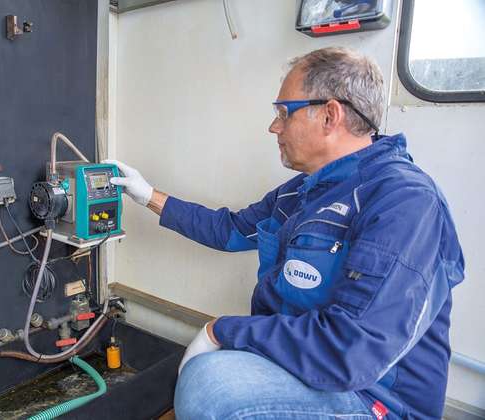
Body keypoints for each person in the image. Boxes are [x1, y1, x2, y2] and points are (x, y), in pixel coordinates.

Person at [104, 47, 464, 420]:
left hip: (373, 397)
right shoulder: (301, 192)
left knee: (210, 388)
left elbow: (351, 352)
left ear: (329, 115)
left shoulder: (403, 202)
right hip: (310, 367)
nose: (273, 127)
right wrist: (147, 195)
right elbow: (229, 230)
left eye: (282, 113)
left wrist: (220, 332)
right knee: (197, 376)